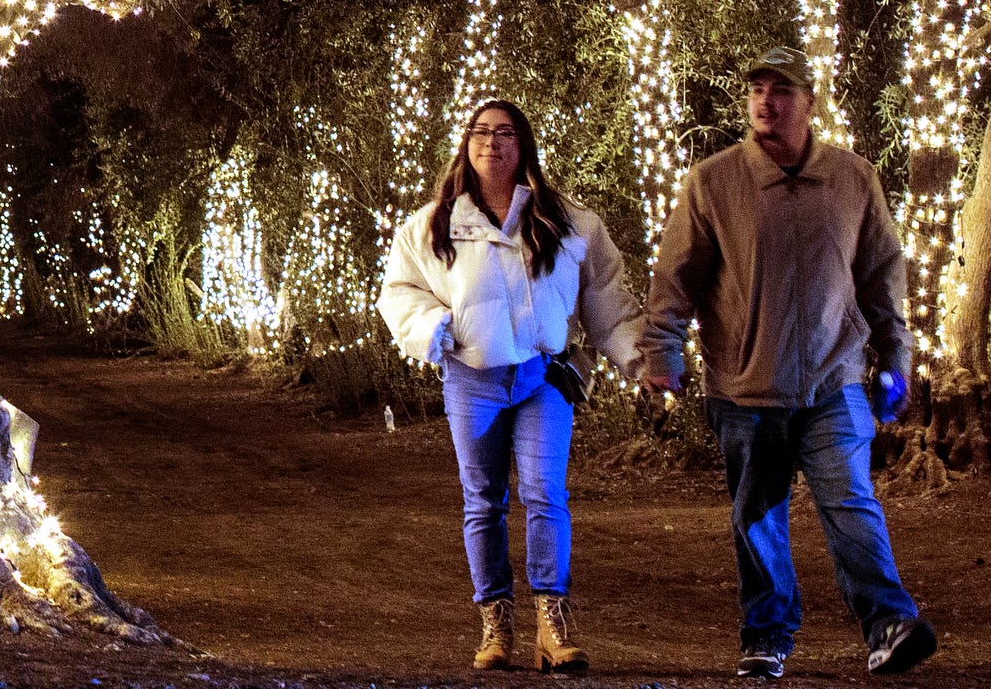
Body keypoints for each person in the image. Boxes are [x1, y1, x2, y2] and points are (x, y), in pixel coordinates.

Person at [640, 47, 935, 680]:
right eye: (757, 88)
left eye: (781, 89)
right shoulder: (712, 182)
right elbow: (675, 279)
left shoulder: (853, 180)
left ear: (808, 102)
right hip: (746, 385)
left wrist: (896, 357)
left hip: (834, 380)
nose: (765, 101)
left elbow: (882, 275)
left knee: (851, 501)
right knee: (758, 515)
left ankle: (889, 623)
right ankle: (767, 632)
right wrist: (660, 353)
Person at [381, 98, 643, 674]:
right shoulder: (433, 225)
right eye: (480, 132)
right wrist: (435, 327)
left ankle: (553, 623)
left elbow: (605, 298)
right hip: (471, 380)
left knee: (546, 495)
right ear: (466, 144)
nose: (492, 143)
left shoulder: (567, 222)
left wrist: (641, 361)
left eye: (504, 133)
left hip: (542, 377)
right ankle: (495, 626)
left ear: (523, 144)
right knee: (483, 502)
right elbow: (400, 290)